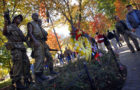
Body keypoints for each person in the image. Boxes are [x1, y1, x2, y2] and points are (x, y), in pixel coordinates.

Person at [3, 14, 31, 89]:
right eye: (18, 18)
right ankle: (17, 83)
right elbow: (4, 32)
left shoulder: (19, 29)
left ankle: (26, 79)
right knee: (18, 63)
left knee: (27, 63)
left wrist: (29, 33)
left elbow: (24, 39)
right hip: (15, 48)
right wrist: (5, 22)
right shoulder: (10, 26)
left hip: (22, 48)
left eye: (20, 19)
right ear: (14, 19)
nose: (19, 20)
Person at [27, 13, 49, 86]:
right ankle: (37, 76)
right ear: (32, 17)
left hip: (41, 41)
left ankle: (41, 74)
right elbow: (30, 33)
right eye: (35, 16)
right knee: (39, 57)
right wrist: (35, 41)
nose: (36, 17)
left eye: (37, 15)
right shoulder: (31, 23)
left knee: (42, 57)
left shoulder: (38, 24)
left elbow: (44, 33)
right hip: (36, 41)